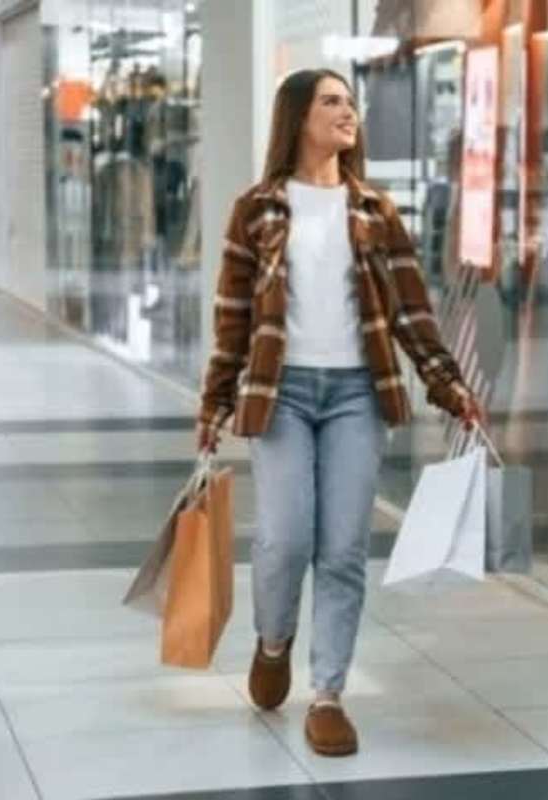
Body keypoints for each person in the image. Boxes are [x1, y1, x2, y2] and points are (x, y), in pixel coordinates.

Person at [195, 69, 482, 757]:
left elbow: (413, 314)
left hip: (359, 392)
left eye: (350, 102)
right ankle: (272, 642)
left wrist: (448, 386)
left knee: (343, 548)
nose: (347, 112)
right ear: (297, 118)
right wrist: (215, 401)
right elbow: (232, 318)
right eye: (331, 101)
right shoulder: (256, 209)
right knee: (285, 539)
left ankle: (327, 693)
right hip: (281, 391)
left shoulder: (375, 211)